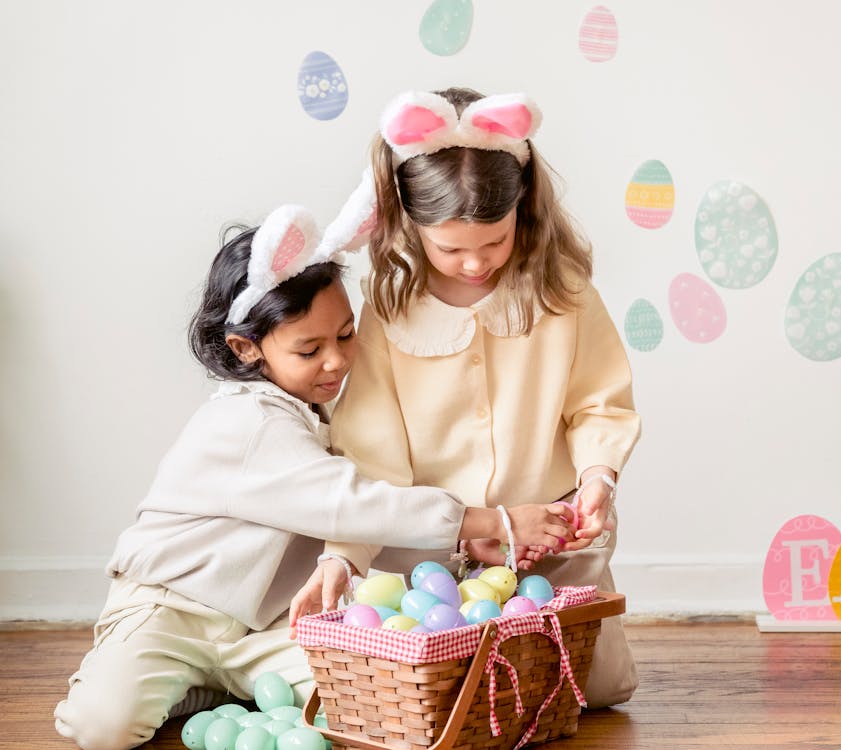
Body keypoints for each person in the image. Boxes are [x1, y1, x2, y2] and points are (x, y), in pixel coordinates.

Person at [53, 204, 573, 750]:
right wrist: (492, 519)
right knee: (102, 729)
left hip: (263, 628)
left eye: (346, 336)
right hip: (175, 611)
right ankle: (166, 675)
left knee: (367, 698)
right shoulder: (246, 421)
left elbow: (359, 529)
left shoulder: (316, 416)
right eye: (309, 349)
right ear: (245, 348)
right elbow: (351, 503)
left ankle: (219, 685)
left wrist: (460, 560)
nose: (337, 362)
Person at [290, 87, 642, 707]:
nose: (475, 264)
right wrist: (342, 558)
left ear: (522, 213)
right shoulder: (391, 309)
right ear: (409, 223)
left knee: (600, 691)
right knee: (452, 699)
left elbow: (599, 402)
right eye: (450, 248)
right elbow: (370, 456)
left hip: (550, 546)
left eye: (495, 243)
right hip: (436, 565)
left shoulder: (562, 292)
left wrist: (597, 478)